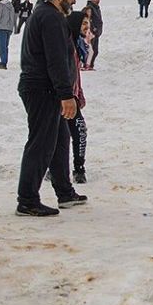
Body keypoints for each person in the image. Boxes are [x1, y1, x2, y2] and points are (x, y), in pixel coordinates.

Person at [16, 0, 87, 216]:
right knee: (41, 143)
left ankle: (64, 192)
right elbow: (55, 59)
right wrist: (66, 95)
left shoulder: (47, 14)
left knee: (59, 140)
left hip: (45, 87)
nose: (74, 0)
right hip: (42, 88)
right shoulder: (50, 17)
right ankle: (27, 200)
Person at [65, 11, 90, 183]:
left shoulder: (76, 43)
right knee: (72, 132)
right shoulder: (67, 44)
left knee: (78, 131)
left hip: (71, 96)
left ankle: (78, 168)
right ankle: (56, 168)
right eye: (84, 23)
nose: (87, 27)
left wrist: (78, 93)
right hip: (63, 97)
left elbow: (75, 74)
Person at [86, 0, 103, 70]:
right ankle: (87, 65)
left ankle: (90, 65)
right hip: (91, 33)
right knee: (91, 51)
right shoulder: (90, 8)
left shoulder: (97, 8)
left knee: (95, 51)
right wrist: (93, 28)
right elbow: (88, 19)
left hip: (97, 33)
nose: (97, 1)